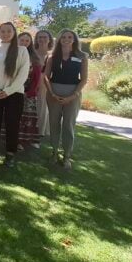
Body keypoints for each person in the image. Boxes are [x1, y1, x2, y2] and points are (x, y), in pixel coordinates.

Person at [0, 22, 30, 167]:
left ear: (14, 32)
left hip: (14, 94)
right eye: (2, 31)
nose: (5, 34)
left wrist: (8, 91)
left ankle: (10, 154)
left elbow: (23, 74)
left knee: (12, 124)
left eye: (8, 31)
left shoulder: (22, 50)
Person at [44, 29, 88, 170]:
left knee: (68, 125)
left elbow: (84, 79)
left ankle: (67, 155)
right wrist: (52, 93)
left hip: (73, 92)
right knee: (54, 123)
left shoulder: (82, 56)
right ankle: (55, 152)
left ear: (74, 39)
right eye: (63, 37)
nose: (66, 39)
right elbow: (46, 76)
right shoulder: (52, 56)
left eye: (69, 37)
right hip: (54, 92)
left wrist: (73, 96)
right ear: (59, 39)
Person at [18, 32, 44, 149]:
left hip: (29, 93)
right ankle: (17, 141)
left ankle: (29, 140)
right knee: (16, 116)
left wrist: (29, 92)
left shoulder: (34, 58)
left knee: (28, 117)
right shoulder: (13, 55)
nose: (24, 42)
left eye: (27, 41)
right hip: (14, 91)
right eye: (22, 40)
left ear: (30, 42)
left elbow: (37, 78)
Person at [34, 30, 54, 139]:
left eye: (45, 37)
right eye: (39, 37)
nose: (42, 39)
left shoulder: (53, 54)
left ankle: (40, 131)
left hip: (46, 83)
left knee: (43, 107)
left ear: (49, 39)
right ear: (36, 39)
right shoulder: (32, 52)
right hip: (33, 82)